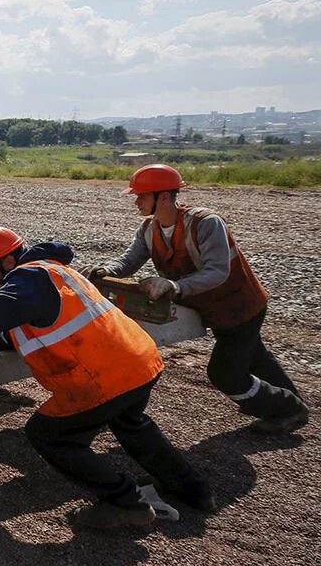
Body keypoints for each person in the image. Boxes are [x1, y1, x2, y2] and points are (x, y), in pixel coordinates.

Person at [0, 226, 212, 530]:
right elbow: (24, 325)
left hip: (105, 378)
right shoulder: (51, 272)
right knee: (130, 423)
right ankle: (193, 489)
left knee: (50, 435)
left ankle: (125, 502)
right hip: (139, 362)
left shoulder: (28, 279)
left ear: (8, 261)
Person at [87, 163, 307, 433]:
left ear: (164, 197)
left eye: (141, 196)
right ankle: (292, 405)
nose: (136, 202)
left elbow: (217, 271)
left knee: (225, 373)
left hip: (240, 306)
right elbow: (130, 259)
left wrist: (173, 286)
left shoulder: (205, 223)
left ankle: (288, 409)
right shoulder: (149, 228)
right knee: (253, 354)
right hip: (215, 309)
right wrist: (106, 270)